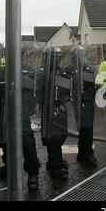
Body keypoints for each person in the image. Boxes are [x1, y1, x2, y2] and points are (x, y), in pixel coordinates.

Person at [0, 55, 40, 191]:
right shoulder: (1, 71)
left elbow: (34, 91)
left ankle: (32, 173)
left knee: (27, 142)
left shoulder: (28, 70)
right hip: (5, 111)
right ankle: (9, 167)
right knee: (6, 142)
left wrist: (29, 106)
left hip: (22, 112)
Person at [38, 46, 71, 180]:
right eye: (54, 57)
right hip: (48, 110)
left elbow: (67, 91)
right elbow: (39, 92)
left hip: (61, 109)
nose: (56, 59)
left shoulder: (61, 73)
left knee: (62, 135)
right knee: (53, 137)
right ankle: (56, 166)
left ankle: (54, 161)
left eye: (58, 57)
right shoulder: (41, 73)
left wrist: (63, 100)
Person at [70, 45, 98, 167]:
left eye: (82, 54)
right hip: (77, 102)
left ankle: (84, 153)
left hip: (87, 102)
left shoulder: (88, 69)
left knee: (87, 129)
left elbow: (93, 86)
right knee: (85, 128)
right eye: (78, 55)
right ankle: (86, 154)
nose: (80, 57)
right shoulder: (70, 70)